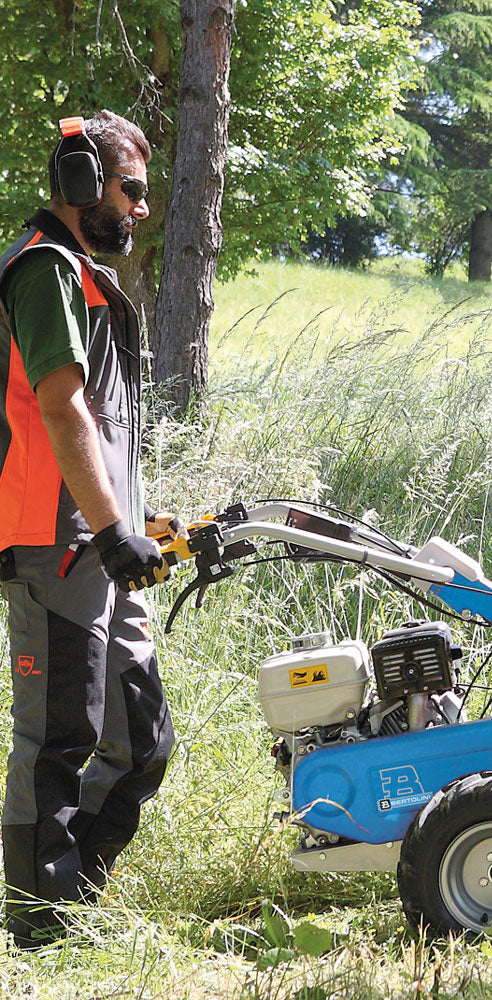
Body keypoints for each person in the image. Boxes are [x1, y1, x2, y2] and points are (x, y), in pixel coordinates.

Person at [0, 110, 175, 949]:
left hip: (101, 538)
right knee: (57, 738)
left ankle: (72, 898)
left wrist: (137, 524)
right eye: (129, 189)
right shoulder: (42, 272)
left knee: (141, 737)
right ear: (79, 184)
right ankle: (38, 928)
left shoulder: (84, 277)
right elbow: (63, 408)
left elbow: (100, 428)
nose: (140, 208)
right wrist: (111, 534)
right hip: (57, 544)